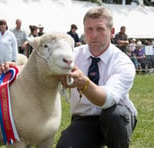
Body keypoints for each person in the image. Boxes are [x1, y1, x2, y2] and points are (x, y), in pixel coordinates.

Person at [56, 6, 137, 148]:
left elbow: (107, 100)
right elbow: (42, 67)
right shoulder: (72, 56)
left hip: (117, 116)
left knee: (114, 115)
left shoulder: (123, 62)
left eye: (100, 29)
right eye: (89, 29)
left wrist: (83, 83)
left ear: (112, 32)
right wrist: (12, 67)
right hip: (85, 118)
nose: (94, 35)